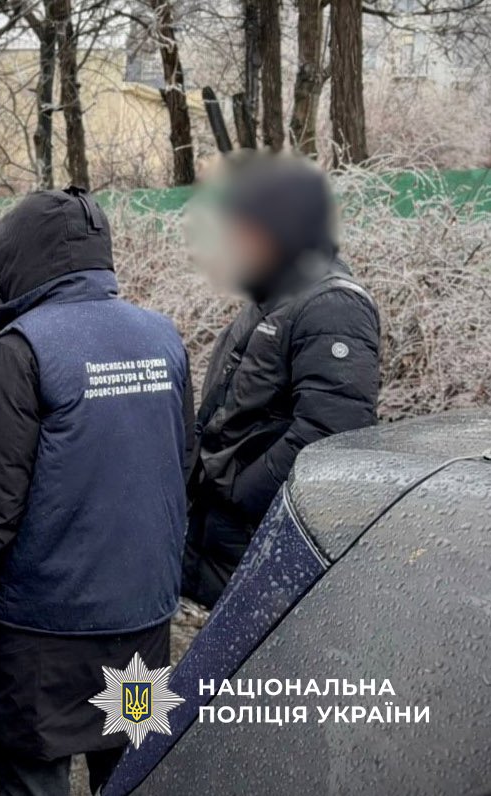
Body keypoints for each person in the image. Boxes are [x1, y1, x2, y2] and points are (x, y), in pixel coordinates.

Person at [0, 189, 192, 796]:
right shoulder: (163, 338)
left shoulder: (21, 348)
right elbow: (183, 468)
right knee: (128, 774)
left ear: (16, 258)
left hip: (39, 641)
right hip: (140, 623)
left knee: (34, 778)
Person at [182, 156, 381, 607]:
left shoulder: (333, 305)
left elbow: (331, 435)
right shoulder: (272, 294)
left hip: (257, 536)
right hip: (221, 538)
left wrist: (240, 493)